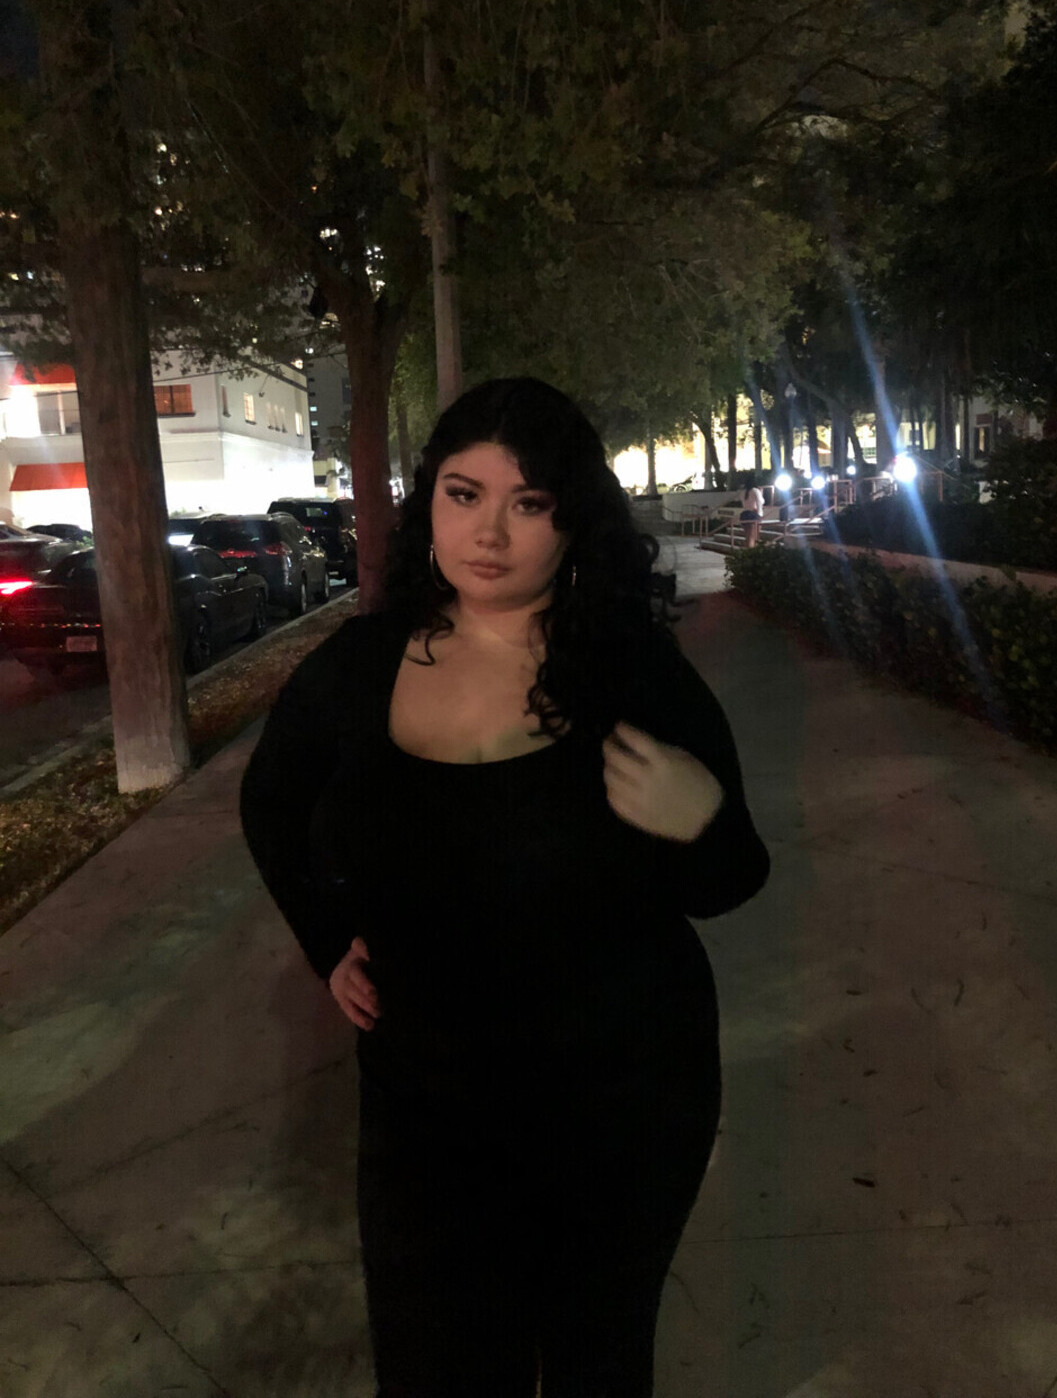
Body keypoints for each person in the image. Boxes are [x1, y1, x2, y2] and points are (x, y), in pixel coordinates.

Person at [240, 377, 770, 1398]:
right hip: (427, 1104)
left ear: (572, 523)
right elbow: (270, 802)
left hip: (621, 1097)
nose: (489, 533)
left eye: (529, 503)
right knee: (434, 1363)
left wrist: (700, 816)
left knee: (595, 1364)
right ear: (429, 503)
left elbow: (733, 877)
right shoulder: (359, 667)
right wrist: (327, 940)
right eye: (464, 494)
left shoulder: (629, 671)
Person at [739, 473, 765, 547]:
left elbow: (744, 503)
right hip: (753, 514)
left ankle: (747, 550)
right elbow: (760, 502)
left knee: (747, 536)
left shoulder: (743, 492)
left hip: (744, 514)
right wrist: (760, 515)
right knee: (753, 536)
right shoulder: (755, 490)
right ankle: (751, 550)